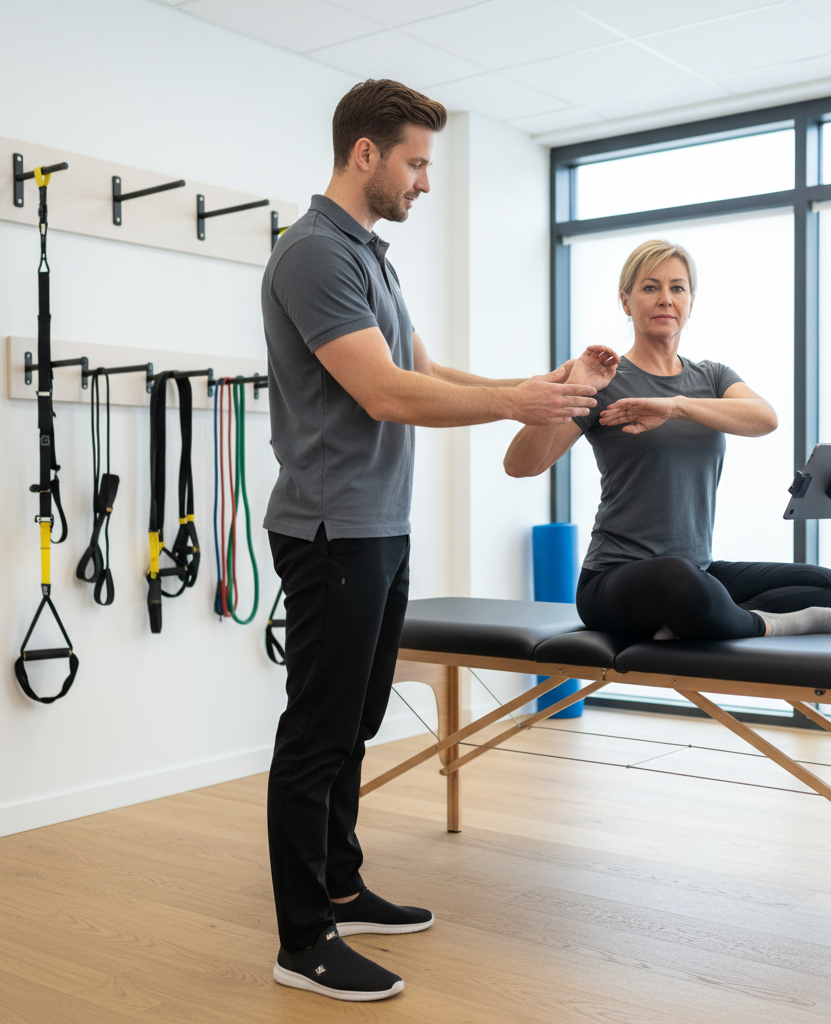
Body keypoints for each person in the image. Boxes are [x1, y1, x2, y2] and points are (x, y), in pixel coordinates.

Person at [261, 79, 597, 1003]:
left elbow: (425, 370)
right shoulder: (311, 255)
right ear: (364, 154)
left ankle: (339, 882)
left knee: (359, 719)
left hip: (380, 526)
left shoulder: (371, 255)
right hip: (333, 530)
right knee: (318, 733)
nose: (424, 181)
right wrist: (515, 404)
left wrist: (545, 385)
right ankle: (303, 941)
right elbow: (385, 394)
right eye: (416, 162)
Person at [504, 238, 831, 642]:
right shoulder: (605, 381)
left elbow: (765, 418)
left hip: (697, 571)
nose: (665, 300)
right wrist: (572, 389)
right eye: (650, 287)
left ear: (691, 301)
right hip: (613, 580)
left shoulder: (711, 377)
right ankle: (760, 623)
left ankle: (702, 617)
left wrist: (676, 407)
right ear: (626, 301)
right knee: (678, 579)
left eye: (677, 288)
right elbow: (520, 465)